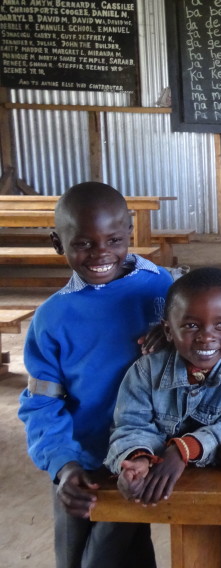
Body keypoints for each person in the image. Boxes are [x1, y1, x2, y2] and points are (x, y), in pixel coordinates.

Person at [19, 182, 175, 568]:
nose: (102, 253)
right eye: (84, 243)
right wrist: (62, 464)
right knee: (75, 557)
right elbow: (42, 403)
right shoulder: (53, 318)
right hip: (82, 459)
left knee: (120, 552)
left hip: (142, 458)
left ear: (130, 235)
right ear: (58, 242)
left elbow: (207, 351)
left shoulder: (164, 289)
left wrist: (174, 335)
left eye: (114, 239)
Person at [105, 268, 221, 506]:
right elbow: (131, 424)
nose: (206, 337)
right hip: (167, 480)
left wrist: (182, 450)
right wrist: (138, 459)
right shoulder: (147, 370)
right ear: (168, 330)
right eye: (191, 326)